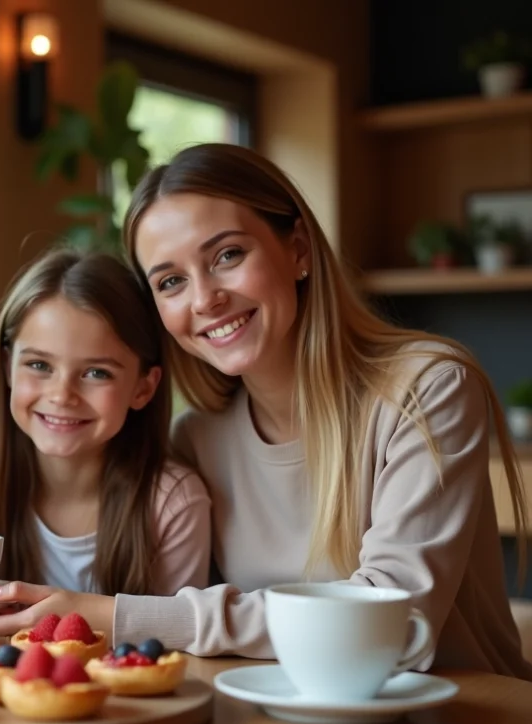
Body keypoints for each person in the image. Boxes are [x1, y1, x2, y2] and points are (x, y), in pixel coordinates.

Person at [115, 142, 528, 678]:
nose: (204, 299)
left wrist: (123, 617)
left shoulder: (429, 389)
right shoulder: (196, 438)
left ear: (299, 250)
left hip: (460, 718)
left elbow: (391, 623)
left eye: (227, 256)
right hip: (283, 714)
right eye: (171, 281)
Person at [0, 249, 211, 637]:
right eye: (39, 365)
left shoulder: (172, 504)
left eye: (97, 373)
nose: (62, 395)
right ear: (8, 367)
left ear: (143, 388)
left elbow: (175, 642)